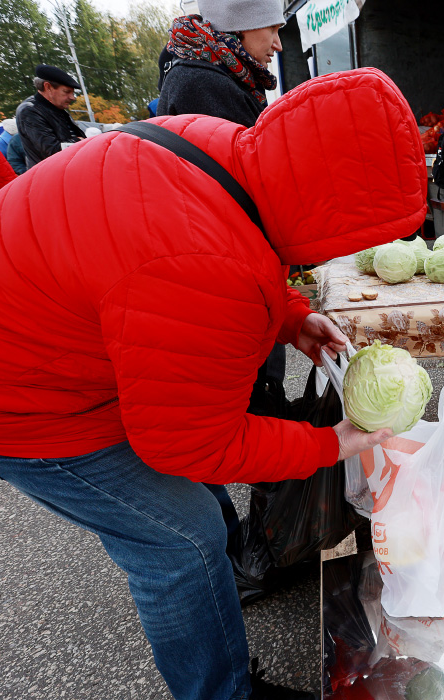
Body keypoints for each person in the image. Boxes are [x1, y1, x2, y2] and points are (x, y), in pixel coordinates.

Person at [0, 67, 427, 699]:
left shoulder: (215, 140)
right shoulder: (205, 271)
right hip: (24, 402)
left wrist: (292, 317)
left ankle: (218, 607)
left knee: (199, 507)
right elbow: (188, 443)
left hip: (54, 342)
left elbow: (234, 222)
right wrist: (330, 444)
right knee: (183, 540)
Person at [157, 0, 287, 558]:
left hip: (226, 273)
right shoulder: (200, 82)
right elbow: (227, 194)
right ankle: (257, 546)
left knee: (261, 399)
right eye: (273, 28)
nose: (278, 43)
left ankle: (259, 538)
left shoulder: (221, 70)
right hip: (218, 282)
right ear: (238, 21)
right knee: (249, 405)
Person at [157, 0, 284, 128]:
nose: (278, 45)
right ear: (240, 27)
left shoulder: (207, 73)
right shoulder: (206, 84)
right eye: (272, 29)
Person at [14, 64, 85, 168]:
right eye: (67, 92)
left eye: (72, 93)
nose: (72, 97)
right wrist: (80, 141)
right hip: (49, 177)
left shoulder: (56, 108)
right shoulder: (29, 110)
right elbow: (52, 150)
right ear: (48, 87)